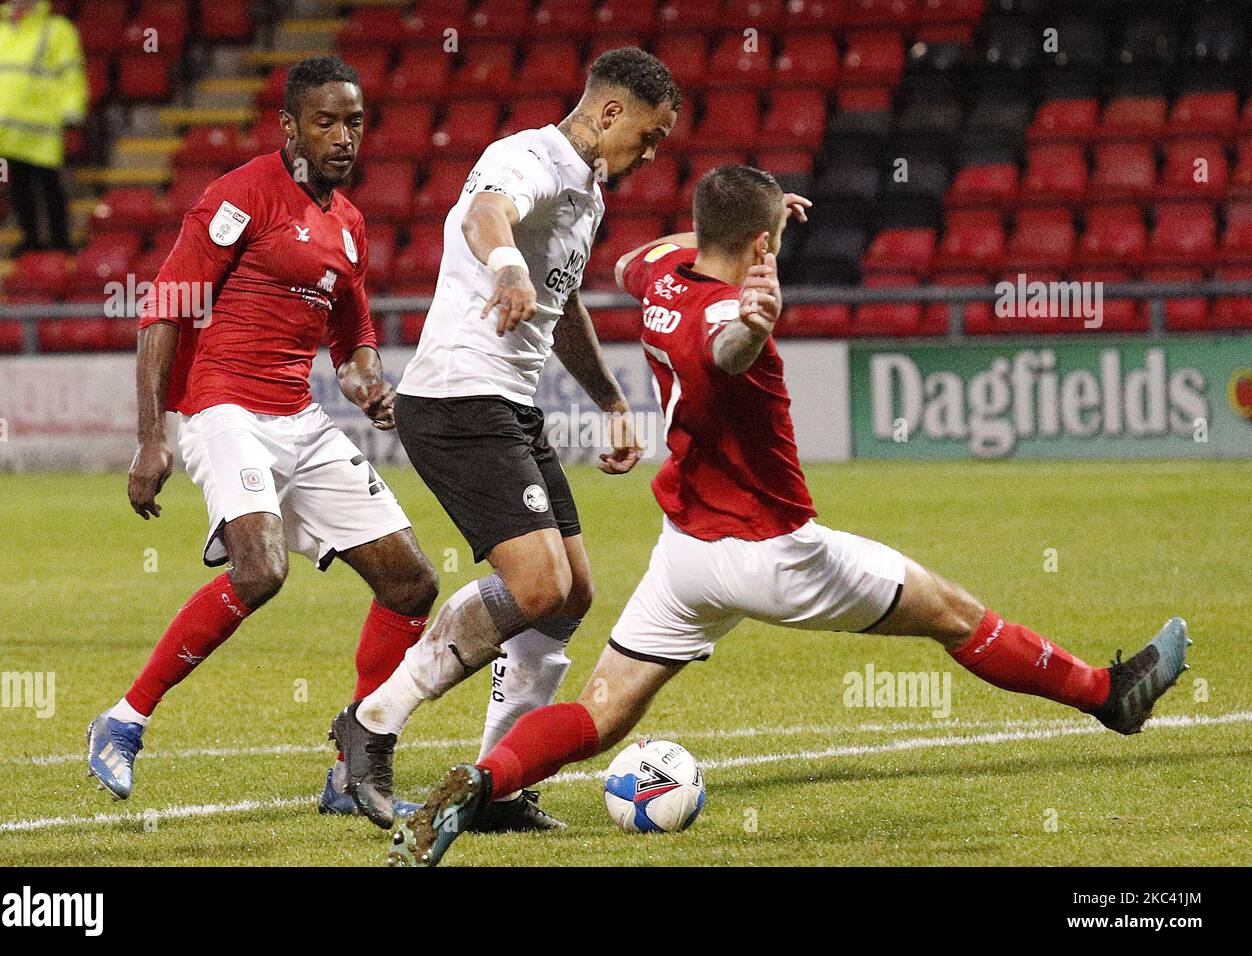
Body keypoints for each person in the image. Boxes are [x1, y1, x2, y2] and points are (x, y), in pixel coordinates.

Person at [385, 165, 1192, 866]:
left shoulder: (660, 285)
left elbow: (641, 256)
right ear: (764, 248)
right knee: (954, 613)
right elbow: (726, 349)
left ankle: (480, 784)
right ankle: (1106, 695)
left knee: (602, 714)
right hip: (777, 556)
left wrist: (745, 228)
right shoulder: (725, 322)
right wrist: (755, 323)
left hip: (686, 558)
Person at [330, 47, 680, 833]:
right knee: (537, 585)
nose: (652, 155)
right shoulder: (529, 156)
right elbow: (484, 213)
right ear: (612, 112)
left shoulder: (587, 193)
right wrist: (508, 268)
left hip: (506, 405)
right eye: (651, 136)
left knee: (572, 593)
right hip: (458, 398)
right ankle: (372, 722)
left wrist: (611, 396)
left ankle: (496, 786)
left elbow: (565, 306)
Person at [86, 57, 439, 810]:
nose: (344, 136)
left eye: (354, 121)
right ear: (289, 126)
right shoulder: (241, 195)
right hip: (225, 410)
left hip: (300, 419)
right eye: (326, 121)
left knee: (413, 581)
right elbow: (165, 310)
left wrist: (367, 378)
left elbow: (354, 330)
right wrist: (152, 437)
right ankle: (122, 722)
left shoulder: (348, 224)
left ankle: (352, 772)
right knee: (260, 571)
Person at [0, 0, 86, 254]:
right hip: (7, 129)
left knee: (50, 186)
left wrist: (73, 109)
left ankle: (60, 239)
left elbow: (70, 72)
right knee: (19, 189)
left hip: (43, 128)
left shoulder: (57, 29)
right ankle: (30, 240)